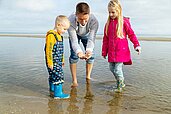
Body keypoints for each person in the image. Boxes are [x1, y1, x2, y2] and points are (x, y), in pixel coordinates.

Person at [102, 0, 141, 92]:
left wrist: (137, 45)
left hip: (121, 51)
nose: (111, 14)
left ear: (119, 11)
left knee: (117, 69)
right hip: (112, 52)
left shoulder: (123, 22)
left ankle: (120, 86)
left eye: (113, 12)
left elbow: (131, 34)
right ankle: (120, 82)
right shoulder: (107, 24)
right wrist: (104, 51)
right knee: (111, 68)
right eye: (109, 12)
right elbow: (105, 39)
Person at [68, 2, 99, 87]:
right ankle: (74, 80)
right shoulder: (70, 20)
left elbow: (91, 38)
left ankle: (88, 77)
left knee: (91, 56)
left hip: (87, 34)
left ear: (89, 14)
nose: (83, 22)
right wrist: (79, 52)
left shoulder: (94, 21)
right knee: (74, 56)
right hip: (75, 34)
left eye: (85, 19)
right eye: (80, 19)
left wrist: (88, 50)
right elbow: (74, 41)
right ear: (76, 15)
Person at [45, 15, 70, 99]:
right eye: (64, 29)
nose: (65, 31)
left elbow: (61, 51)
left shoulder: (60, 36)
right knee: (58, 75)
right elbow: (49, 50)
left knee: (53, 75)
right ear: (58, 25)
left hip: (58, 61)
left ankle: (53, 89)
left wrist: (62, 60)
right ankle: (58, 94)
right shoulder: (51, 35)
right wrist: (50, 62)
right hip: (52, 61)